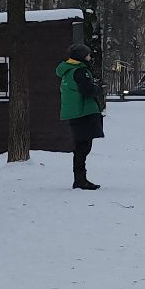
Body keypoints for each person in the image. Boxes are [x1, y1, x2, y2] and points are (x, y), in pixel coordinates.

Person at [57, 43, 104, 190]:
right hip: (83, 112)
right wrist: (99, 89)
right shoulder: (79, 71)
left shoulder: (67, 70)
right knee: (83, 148)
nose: (90, 57)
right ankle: (80, 180)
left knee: (80, 147)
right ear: (81, 56)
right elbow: (87, 90)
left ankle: (80, 179)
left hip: (74, 113)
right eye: (88, 54)